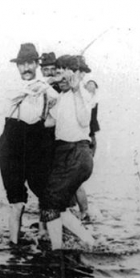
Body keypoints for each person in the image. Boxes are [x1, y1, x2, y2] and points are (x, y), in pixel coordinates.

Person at [0, 43, 60, 244]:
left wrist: (49, 85)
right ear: (17, 67)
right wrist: (45, 84)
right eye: (22, 64)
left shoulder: (46, 88)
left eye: (30, 64)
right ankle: (13, 246)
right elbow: (22, 92)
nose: (26, 69)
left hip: (36, 141)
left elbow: (56, 99)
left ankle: (43, 236)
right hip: (11, 146)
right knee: (17, 203)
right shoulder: (13, 86)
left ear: (36, 64)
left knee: (45, 193)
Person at [39, 55, 100, 250]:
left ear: (74, 76)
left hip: (78, 153)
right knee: (54, 205)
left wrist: (76, 90)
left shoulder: (83, 93)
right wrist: (46, 107)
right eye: (58, 76)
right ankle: (89, 243)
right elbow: (49, 122)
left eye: (64, 76)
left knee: (50, 204)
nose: (60, 80)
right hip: (64, 154)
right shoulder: (62, 96)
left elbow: (84, 121)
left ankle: (60, 249)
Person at [73, 56, 99, 222]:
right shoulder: (82, 90)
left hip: (87, 141)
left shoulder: (88, 91)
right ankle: (82, 212)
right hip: (87, 140)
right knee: (74, 181)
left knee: (75, 181)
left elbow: (87, 92)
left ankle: (85, 213)